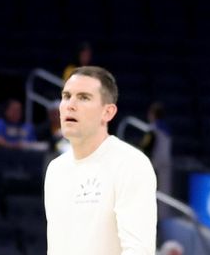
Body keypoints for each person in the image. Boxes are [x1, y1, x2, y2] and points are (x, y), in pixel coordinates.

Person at [45, 66, 157, 254]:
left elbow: (139, 250)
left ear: (108, 113)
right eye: (66, 96)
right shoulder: (56, 169)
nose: (70, 105)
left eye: (83, 97)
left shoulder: (131, 164)